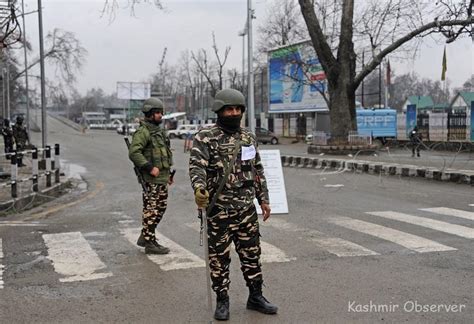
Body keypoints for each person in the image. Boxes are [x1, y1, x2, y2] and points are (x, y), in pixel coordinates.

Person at [189, 89, 278, 321]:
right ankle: (222, 299)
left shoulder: (248, 137)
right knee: (219, 259)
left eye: (238, 109)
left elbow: (256, 169)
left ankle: (255, 296)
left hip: (246, 210)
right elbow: (197, 166)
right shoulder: (205, 137)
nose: (234, 113)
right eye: (229, 109)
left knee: (252, 254)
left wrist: (264, 199)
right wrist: (199, 189)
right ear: (219, 110)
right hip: (218, 210)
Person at [128, 97, 174, 255]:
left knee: (160, 208)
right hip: (151, 180)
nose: (160, 115)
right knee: (151, 210)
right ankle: (149, 242)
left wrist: (168, 174)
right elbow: (134, 152)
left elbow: (165, 155)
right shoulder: (144, 132)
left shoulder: (159, 132)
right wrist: (148, 167)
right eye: (157, 113)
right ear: (149, 114)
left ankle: (146, 236)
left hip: (162, 179)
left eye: (161, 112)